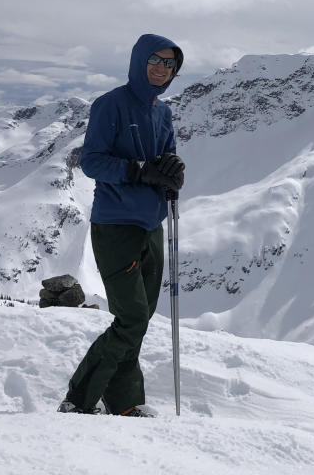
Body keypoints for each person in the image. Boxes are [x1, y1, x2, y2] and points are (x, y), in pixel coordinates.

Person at [58, 33, 186, 417]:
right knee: (130, 319)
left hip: (151, 225)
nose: (163, 68)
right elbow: (91, 161)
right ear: (139, 60)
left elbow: (166, 159)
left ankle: (124, 402)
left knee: (139, 321)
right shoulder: (110, 105)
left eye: (170, 64)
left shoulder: (162, 113)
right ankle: (78, 399)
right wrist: (137, 170)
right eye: (157, 60)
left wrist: (171, 173)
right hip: (116, 226)